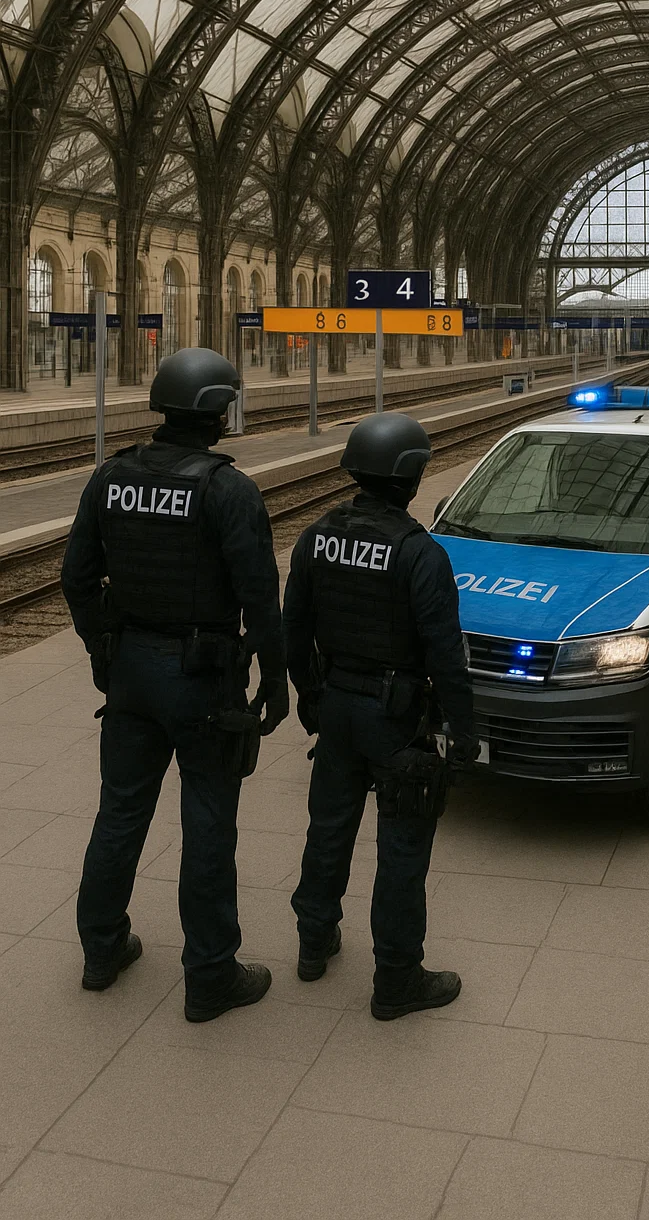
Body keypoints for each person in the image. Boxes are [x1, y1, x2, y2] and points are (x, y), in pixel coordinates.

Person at [61, 347, 289, 1022]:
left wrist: (104, 648)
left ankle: (102, 951)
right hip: (204, 680)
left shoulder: (111, 477)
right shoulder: (228, 490)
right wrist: (276, 679)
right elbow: (260, 597)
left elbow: (77, 578)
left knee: (119, 813)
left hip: (131, 672)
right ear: (215, 412)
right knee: (208, 821)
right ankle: (211, 975)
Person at [283, 411, 479, 1018]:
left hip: (337, 708)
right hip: (397, 720)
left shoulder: (316, 537)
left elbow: (294, 628)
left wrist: (310, 693)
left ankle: (313, 943)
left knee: (327, 830)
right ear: (411, 477)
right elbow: (445, 656)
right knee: (401, 849)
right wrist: (463, 731)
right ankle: (396, 979)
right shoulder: (420, 554)